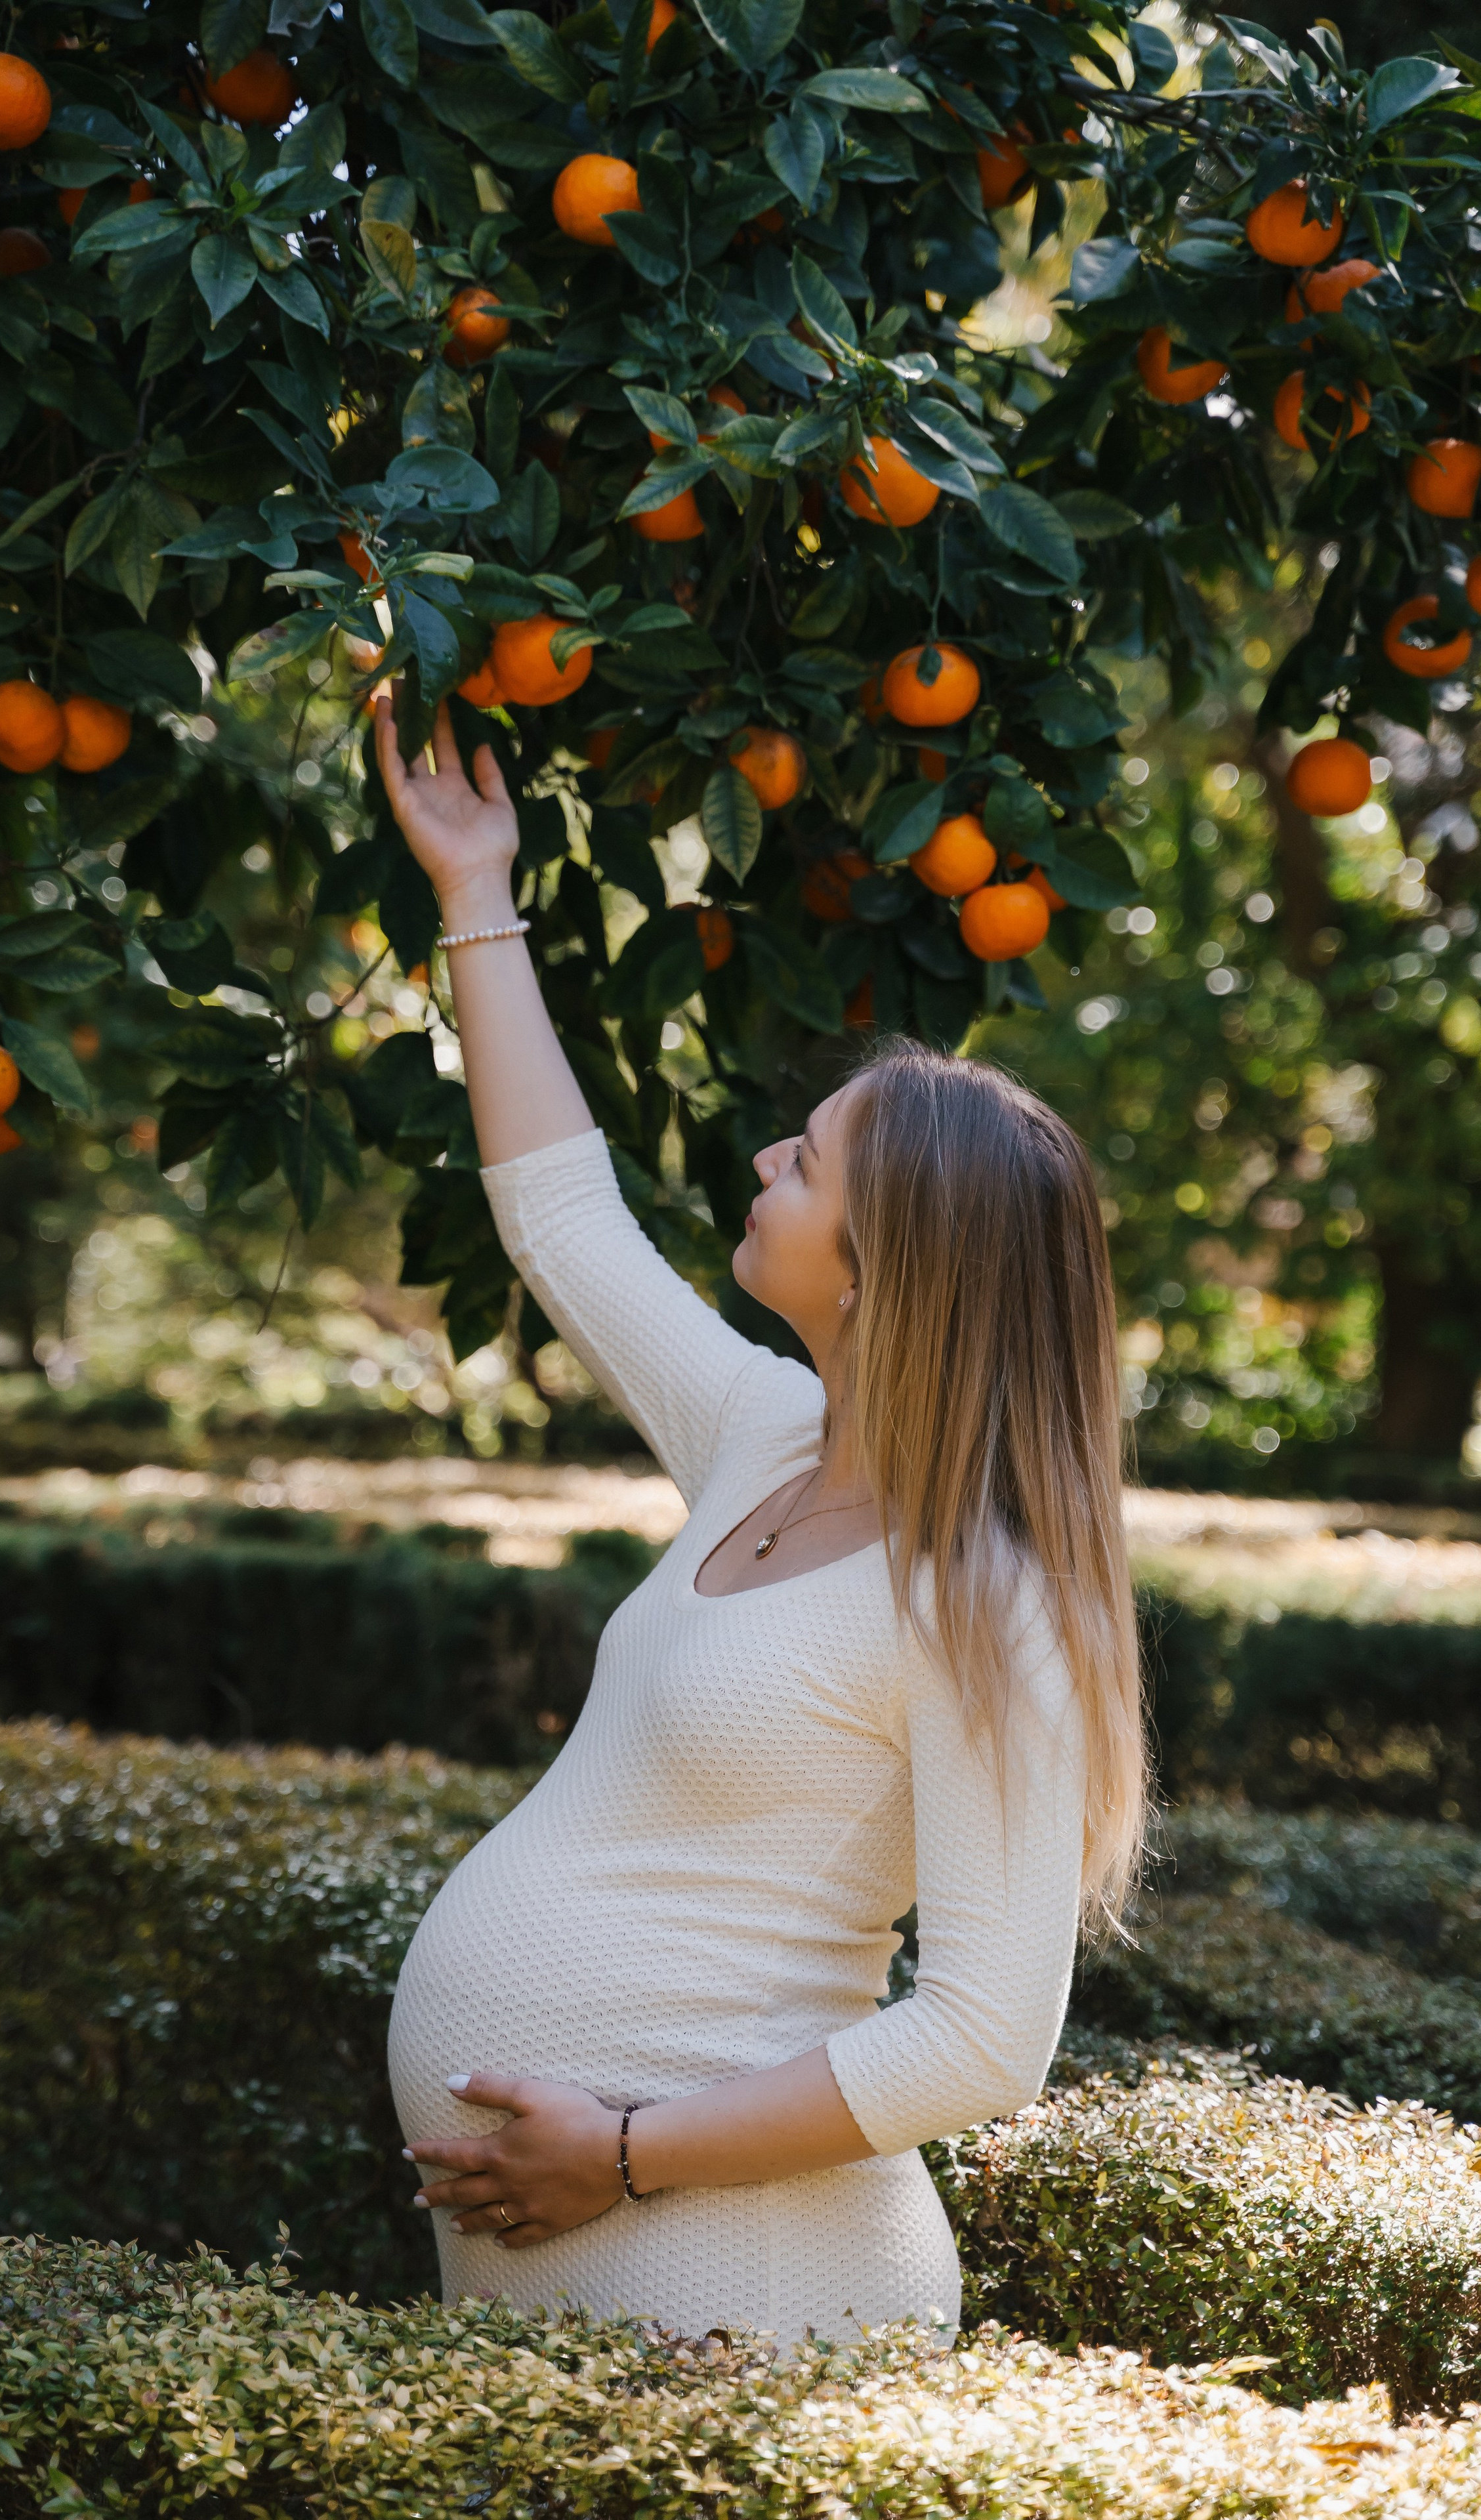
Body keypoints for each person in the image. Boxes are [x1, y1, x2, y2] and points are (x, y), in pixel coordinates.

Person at [378, 692, 1148, 2347]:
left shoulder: (985, 1600)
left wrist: (632, 2155)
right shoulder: (762, 1431)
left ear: (883, 1277)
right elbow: (563, 1219)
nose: (760, 1163)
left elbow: (981, 2038)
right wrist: (475, 890)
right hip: (587, 2229)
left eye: (800, 1166)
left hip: (743, 2266)